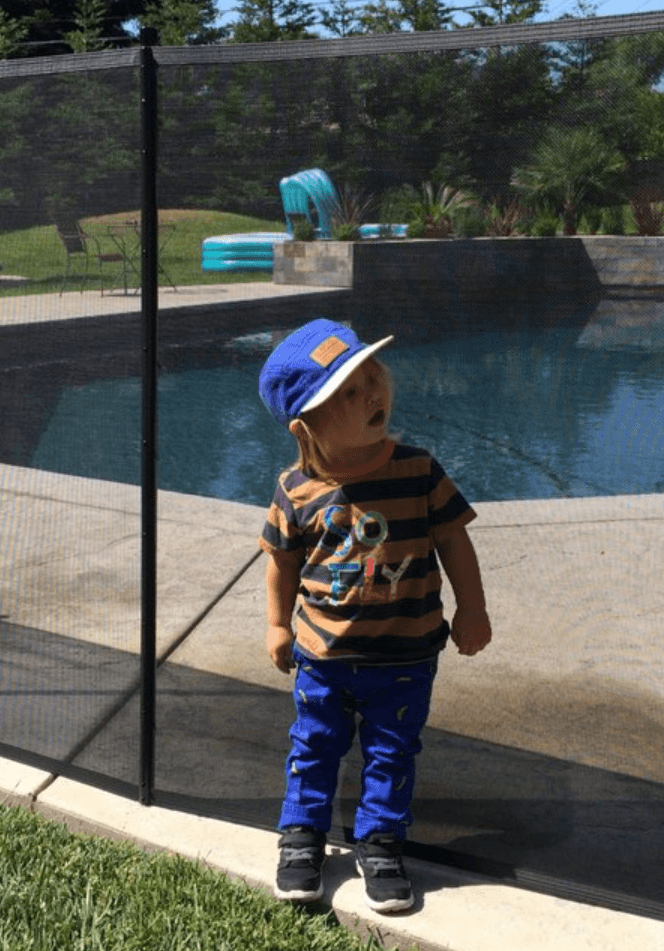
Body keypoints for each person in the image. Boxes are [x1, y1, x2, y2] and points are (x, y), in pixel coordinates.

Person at [256, 318, 492, 914]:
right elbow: (282, 563)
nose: (371, 395)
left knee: (392, 752)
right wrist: (278, 625)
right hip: (323, 656)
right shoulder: (296, 490)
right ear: (305, 427)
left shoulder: (419, 470)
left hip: (407, 655)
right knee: (314, 746)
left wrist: (474, 609)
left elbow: (455, 544)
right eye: (348, 394)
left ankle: (381, 843)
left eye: (369, 379)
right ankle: (302, 836)